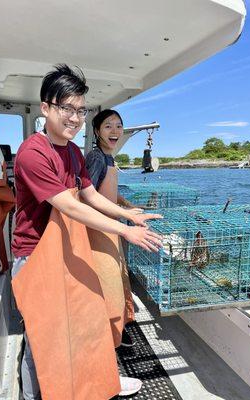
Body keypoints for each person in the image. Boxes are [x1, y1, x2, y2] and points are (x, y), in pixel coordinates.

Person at [11, 64, 162, 400]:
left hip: (64, 249)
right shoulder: (32, 153)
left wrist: (129, 215)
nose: (74, 117)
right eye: (66, 108)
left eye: (80, 110)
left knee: (82, 322)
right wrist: (124, 232)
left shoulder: (73, 151)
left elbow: (91, 195)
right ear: (46, 108)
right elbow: (72, 206)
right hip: (35, 255)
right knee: (42, 342)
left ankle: (92, 382)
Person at [85, 109, 141, 349]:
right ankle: (107, 341)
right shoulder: (96, 157)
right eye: (108, 126)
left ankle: (119, 329)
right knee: (108, 284)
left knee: (119, 278)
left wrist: (127, 204)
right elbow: (86, 196)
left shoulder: (110, 157)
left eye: (119, 125)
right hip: (99, 229)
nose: (115, 130)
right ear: (97, 131)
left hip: (113, 228)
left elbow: (104, 190)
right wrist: (125, 214)